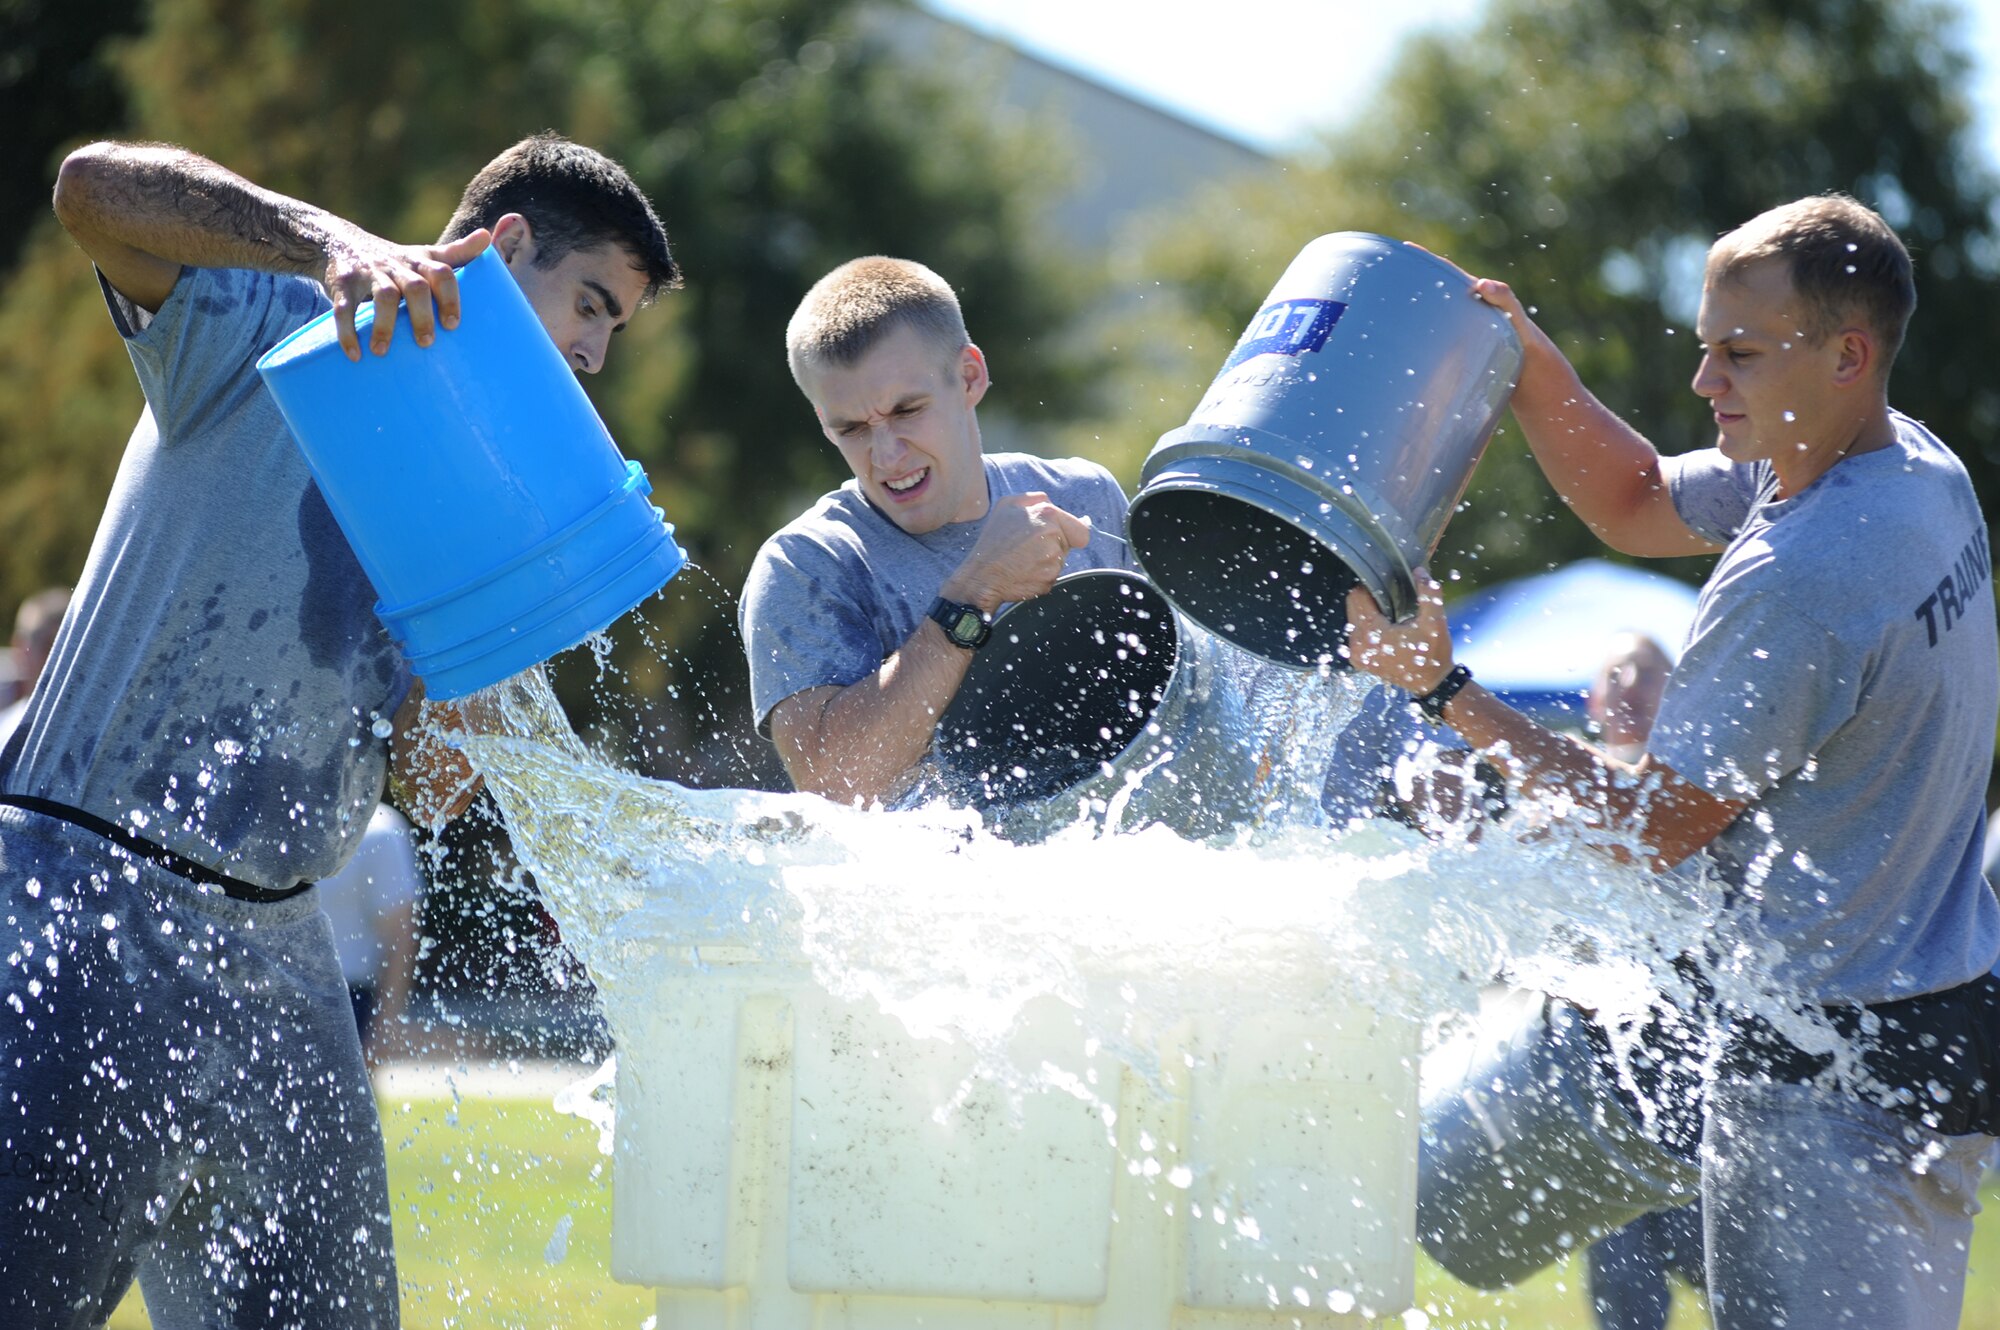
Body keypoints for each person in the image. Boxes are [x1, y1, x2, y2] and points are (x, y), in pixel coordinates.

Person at [0, 133, 677, 1328]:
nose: (592, 351)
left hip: (280, 960)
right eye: (589, 304)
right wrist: (329, 243)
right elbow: (90, 191)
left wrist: (504, 609)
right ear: (502, 244)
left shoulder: (483, 485)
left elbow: (425, 779)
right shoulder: (272, 325)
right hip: (80, 900)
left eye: (611, 331)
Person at [1346, 196, 1998, 1327]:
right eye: (1703, 347)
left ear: (1846, 355)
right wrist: (1531, 362)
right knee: (1437, 1196)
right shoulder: (1903, 467)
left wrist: (1441, 689)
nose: (1704, 382)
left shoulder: (1807, 569)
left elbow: (1644, 833)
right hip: (1919, 1016)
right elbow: (1637, 498)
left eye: (1737, 354)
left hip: (1828, 1083)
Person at [740, 256, 1132, 804]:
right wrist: (973, 594)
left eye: (907, 411)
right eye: (850, 427)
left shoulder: (1084, 496)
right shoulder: (807, 564)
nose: (886, 455)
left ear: (969, 376)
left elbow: (1193, 688)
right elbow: (834, 789)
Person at [1576, 633, 1706, 1330]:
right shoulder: (1555, 797)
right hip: (1601, 1090)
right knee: (1624, 1297)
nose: (1629, 683)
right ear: (1594, 700)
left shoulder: (1699, 791)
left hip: (1699, 1082)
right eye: (1614, 672)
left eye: (1649, 673)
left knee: (1731, 1271)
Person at [316, 802, 426, 1068]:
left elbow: (401, 937)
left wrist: (385, 1024)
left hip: (349, 1002)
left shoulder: (379, 830)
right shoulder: (285, 817)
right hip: (278, 990)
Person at [0, 586, 70, 748]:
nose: (61, 660)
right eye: (49, 646)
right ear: (20, 649)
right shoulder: (5, 737)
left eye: (69, 648)